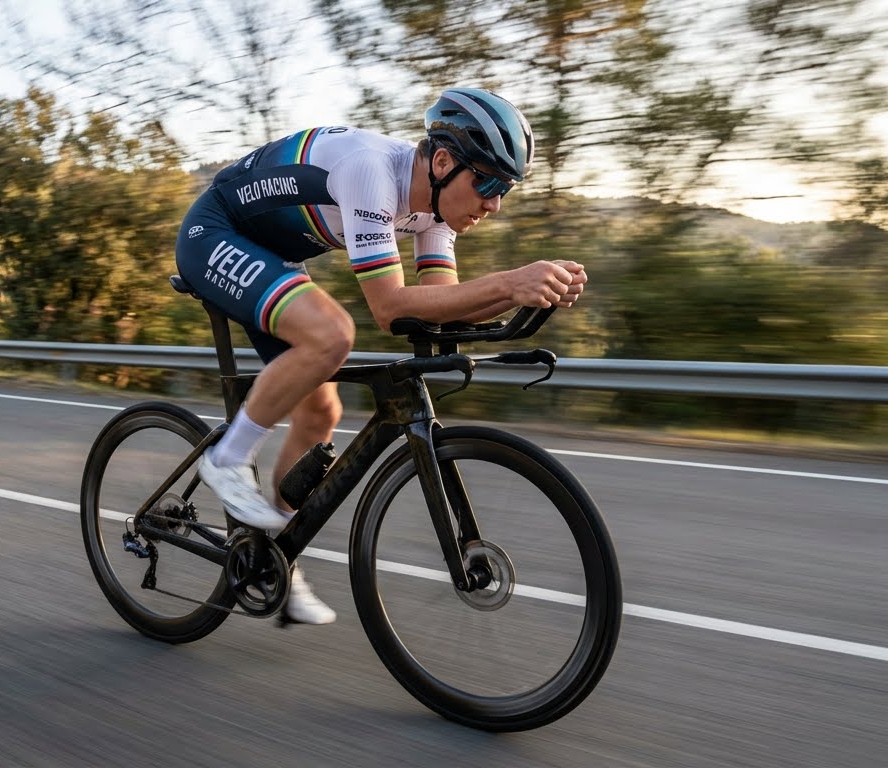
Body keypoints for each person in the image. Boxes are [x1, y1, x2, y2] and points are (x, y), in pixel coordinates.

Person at [175, 88, 588, 624]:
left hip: (273, 255)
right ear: (442, 161)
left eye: (504, 189)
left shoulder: (433, 213)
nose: (494, 204)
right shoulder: (370, 171)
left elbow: (438, 307)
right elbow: (391, 308)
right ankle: (227, 459)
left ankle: (272, 554)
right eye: (487, 182)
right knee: (333, 334)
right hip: (216, 232)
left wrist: (527, 295)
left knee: (322, 412)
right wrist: (510, 282)